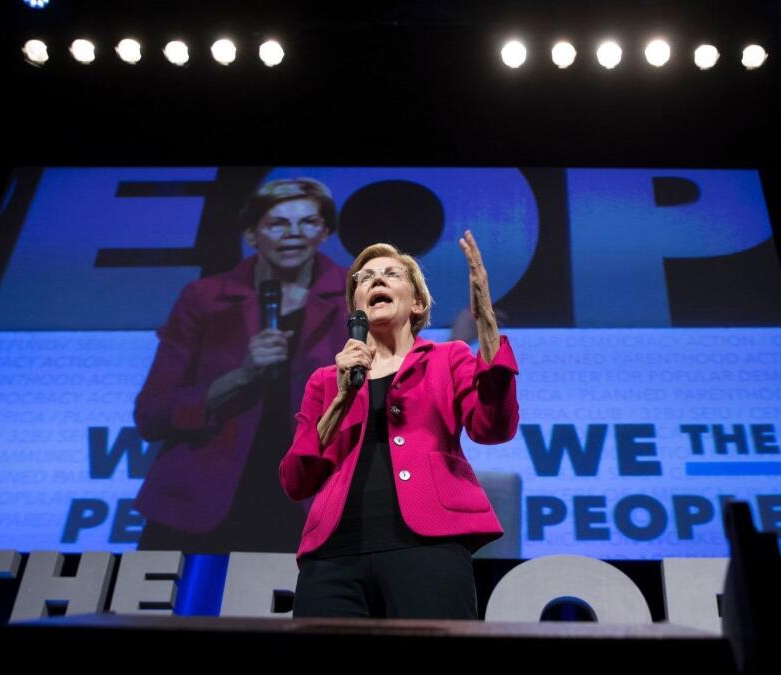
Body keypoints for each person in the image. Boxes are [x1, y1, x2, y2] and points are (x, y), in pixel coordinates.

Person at [280, 232, 519, 619]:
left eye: (392, 274)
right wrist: (341, 400)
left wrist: (485, 320)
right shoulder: (326, 380)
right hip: (333, 555)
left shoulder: (448, 358)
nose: (376, 280)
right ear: (354, 306)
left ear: (418, 302)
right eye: (365, 278)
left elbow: (492, 428)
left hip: (429, 546)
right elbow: (296, 481)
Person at [134, 178, 350, 553]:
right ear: (251, 234)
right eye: (278, 223)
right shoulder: (205, 299)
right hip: (200, 503)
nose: (294, 234)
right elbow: (151, 413)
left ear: (325, 232)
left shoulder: (356, 298)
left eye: (308, 223)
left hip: (311, 502)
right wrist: (241, 376)